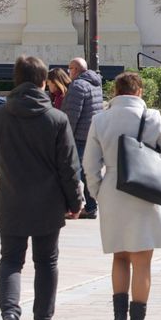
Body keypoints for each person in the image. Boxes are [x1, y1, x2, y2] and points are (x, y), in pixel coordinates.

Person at [0, 55, 84, 320]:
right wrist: (75, 202)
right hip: (48, 202)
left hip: (11, 198)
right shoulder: (56, 119)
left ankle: (10, 314)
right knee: (47, 261)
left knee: (10, 260)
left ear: (15, 79)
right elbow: (69, 166)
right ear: (42, 81)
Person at [84, 71, 161, 320]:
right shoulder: (153, 118)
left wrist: (98, 192)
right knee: (142, 261)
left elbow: (90, 165)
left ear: (115, 92)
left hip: (113, 189)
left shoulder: (100, 120)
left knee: (120, 257)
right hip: (145, 190)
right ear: (138, 92)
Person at [65, 59, 105, 218]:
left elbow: (72, 114)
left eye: (69, 68)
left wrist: (66, 135)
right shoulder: (95, 83)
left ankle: (90, 206)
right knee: (89, 171)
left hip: (79, 136)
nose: (68, 72)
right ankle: (92, 204)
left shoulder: (77, 86)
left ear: (75, 69)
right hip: (92, 133)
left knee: (81, 172)